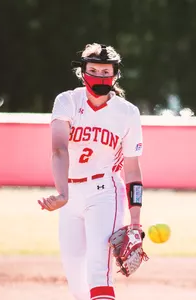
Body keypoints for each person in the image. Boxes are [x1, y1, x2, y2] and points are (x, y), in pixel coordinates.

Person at [37, 43, 146, 300]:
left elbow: (132, 170)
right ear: (82, 72)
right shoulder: (67, 101)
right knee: (76, 280)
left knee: (99, 272)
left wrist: (136, 222)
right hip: (70, 195)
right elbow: (59, 150)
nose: (99, 76)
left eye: (105, 71)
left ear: (115, 74)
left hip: (105, 193)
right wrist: (63, 193)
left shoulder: (127, 112)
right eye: (93, 70)